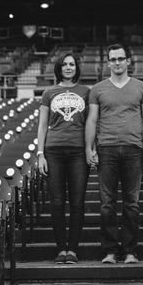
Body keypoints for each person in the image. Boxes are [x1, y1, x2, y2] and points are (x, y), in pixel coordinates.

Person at [85, 43, 143, 264]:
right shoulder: (98, 89)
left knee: (131, 203)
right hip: (106, 149)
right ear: (108, 63)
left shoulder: (141, 87)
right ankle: (109, 251)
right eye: (113, 59)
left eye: (120, 59)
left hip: (134, 149)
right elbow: (92, 120)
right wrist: (89, 147)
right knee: (107, 203)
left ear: (128, 61)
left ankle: (130, 251)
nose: (117, 62)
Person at [36, 51, 90, 264]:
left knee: (77, 202)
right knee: (57, 202)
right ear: (59, 68)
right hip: (54, 151)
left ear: (76, 68)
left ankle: (73, 250)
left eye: (72, 64)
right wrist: (40, 154)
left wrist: (90, 148)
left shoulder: (86, 92)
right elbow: (42, 125)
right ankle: (61, 250)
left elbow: (91, 123)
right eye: (65, 64)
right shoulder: (49, 92)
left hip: (78, 151)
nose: (69, 67)